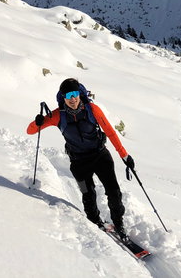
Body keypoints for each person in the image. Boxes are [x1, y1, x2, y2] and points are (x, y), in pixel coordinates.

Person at [27, 78, 136, 239]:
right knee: (88, 193)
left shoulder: (92, 109)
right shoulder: (57, 116)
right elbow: (30, 131)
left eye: (75, 94)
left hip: (100, 156)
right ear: (62, 97)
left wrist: (124, 155)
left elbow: (111, 132)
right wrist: (38, 123)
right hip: (78, 162)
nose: (73, 99)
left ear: (80, 94)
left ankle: (119, 223)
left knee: (114, 191)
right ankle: (94, 221)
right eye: (68, 95)